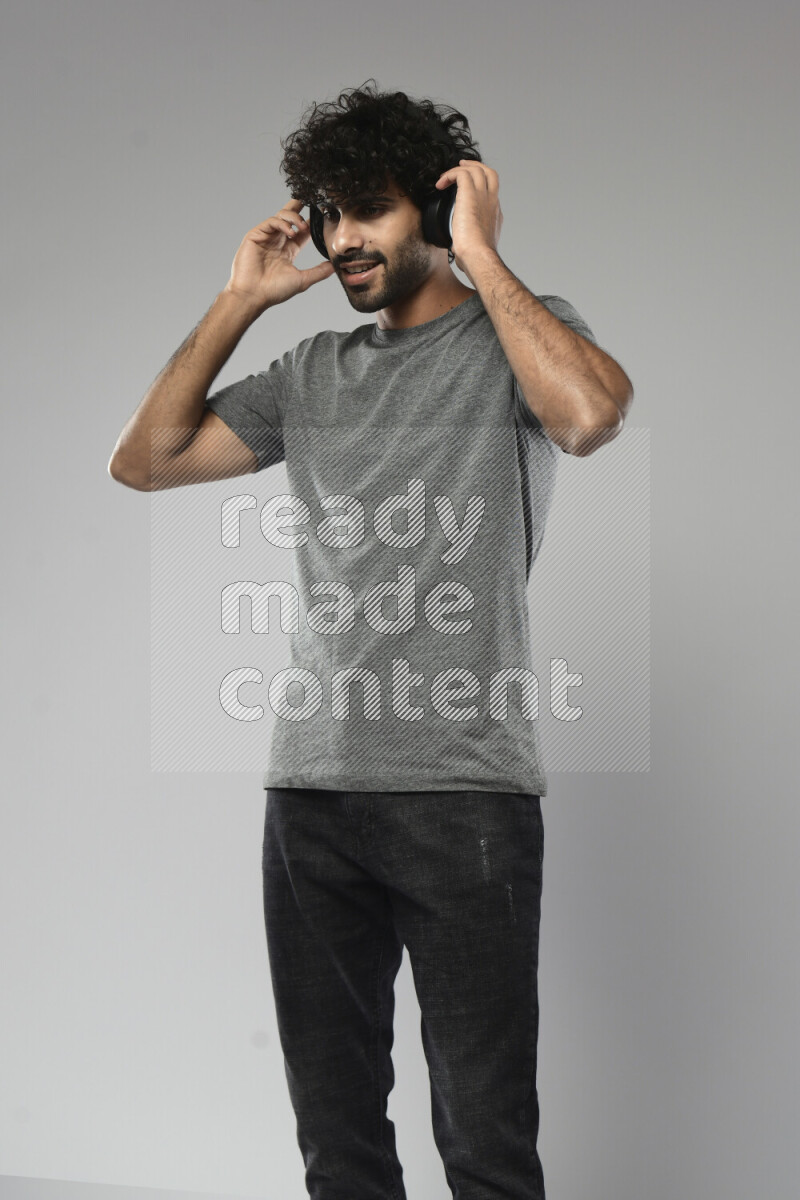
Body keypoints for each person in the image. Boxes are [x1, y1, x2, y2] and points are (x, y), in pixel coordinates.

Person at [108, 81, 633, 1200]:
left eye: (369, 210)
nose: (341, 238)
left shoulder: (519, 339)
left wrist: (480, 255)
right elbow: (144, 461)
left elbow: (589, 418)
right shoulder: (311, 374)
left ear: (433, 209)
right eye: (326, 213)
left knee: (486, 1143)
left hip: (463, 793)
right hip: (311, 794)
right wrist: (238, 301)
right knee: (337, 1145)